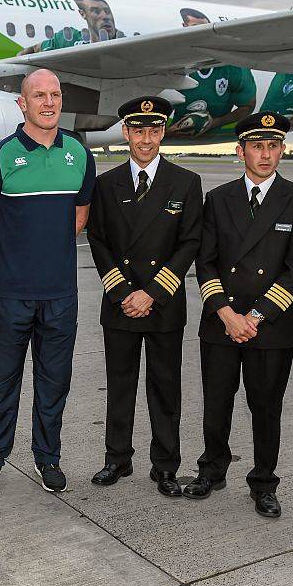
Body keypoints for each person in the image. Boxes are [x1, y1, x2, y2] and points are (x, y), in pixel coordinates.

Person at [0, 68, 96, 495]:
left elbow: (78, 219)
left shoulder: (80, 155)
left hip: (61, 295)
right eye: (39, 96)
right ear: (21, 104)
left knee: (53, 383)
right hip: (11, 294)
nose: (49, 103)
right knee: (1, 381)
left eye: (56, 95)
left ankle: (48, 459)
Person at [186, 112, 293, 517]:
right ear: (240, 151)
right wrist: (226, 313)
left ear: (282, 150)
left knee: (266, 406)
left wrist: (255, 316)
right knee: (217, 401)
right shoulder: (218, 198)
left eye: (273, 146)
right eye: (257, 146)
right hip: (221, 321)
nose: (265, 154)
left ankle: (263, 482)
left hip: (269, 325)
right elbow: (204, 262)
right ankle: (212, 470)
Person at [86, 97, 202, 494]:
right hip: (121, 303)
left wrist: (152, 292)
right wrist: (123, 291)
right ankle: (116, 459)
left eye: (154, 130)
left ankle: (166, 465)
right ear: (126, 133)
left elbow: (189, 243)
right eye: (139, 131)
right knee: (120, 384)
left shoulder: (186, 182)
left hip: (163, 303)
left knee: (165, 386)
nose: (146, 139)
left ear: (163, 132)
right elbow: (98, 240)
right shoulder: (107, 183)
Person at [166, 8, 256, 138]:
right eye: (195, 28)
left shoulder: (231, 66)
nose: (201, 35)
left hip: (214, 132)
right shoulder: (171, 65)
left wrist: (215, 122)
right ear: (184, 28)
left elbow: (248, 106)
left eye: (205, 29)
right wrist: (167, 132)